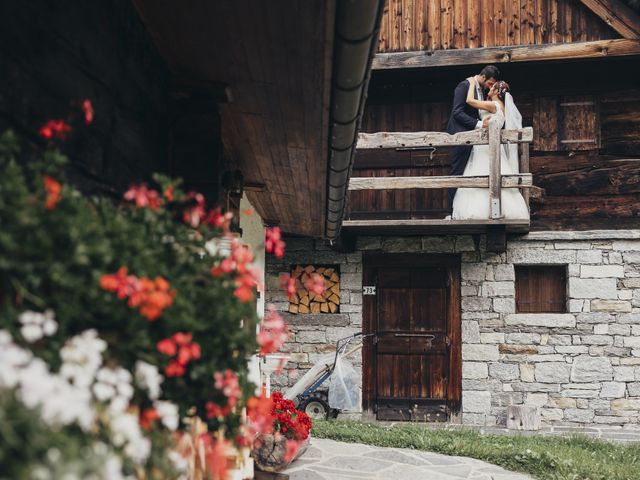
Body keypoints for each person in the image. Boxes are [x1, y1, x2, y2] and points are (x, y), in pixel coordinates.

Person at [451, 77, 529, 220]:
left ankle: (481, 211)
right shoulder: (501, 107)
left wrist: (472, 82)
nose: (489, 88)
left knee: (482, 175)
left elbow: (469, 101)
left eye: (492, 87)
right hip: (492, 147)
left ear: (495, 91)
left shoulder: (494, 105)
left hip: (486, 148)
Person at [445, 65, 500, 211]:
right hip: (461, 135)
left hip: (473, 138)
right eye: (489, 83)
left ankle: (465, 209)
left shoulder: (480, 90)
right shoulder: (464, 86)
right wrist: (480, 124)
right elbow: (457, 112)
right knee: (457, 172)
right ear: (483, 77)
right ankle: (451, 211)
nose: (489, 86)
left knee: (468, 173)